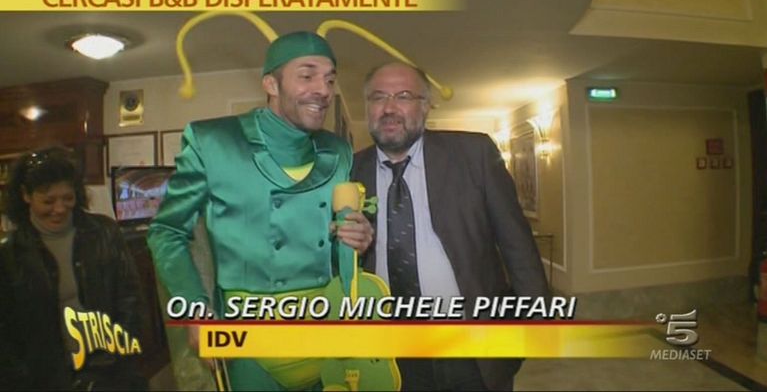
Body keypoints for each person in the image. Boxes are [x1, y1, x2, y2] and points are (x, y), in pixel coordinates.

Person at [147, 31, 374, 391]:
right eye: (307, 75)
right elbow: (166, 231)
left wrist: (356, 237)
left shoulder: (338, 151)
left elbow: (331, 247)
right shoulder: (212, 141)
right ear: (270, 84)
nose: (324, 90)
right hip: (250, 347)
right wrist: (196, 311)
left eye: (330, 79)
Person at [352, 62, 550, 391]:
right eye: (378, 97)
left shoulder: (474, 154)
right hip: (391, 353)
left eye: (404, 96)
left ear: (426, 106)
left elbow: (518, 245)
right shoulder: (350, 170)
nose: (389, 108)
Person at [0, 147, 146, 390]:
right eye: (48, 201)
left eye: (67, 198)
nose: (59, 208)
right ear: (26, 195)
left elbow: (131, 302)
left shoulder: (104, 233)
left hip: (110, 372)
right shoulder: (9, 254)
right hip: (45, 380)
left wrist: (115, 358)